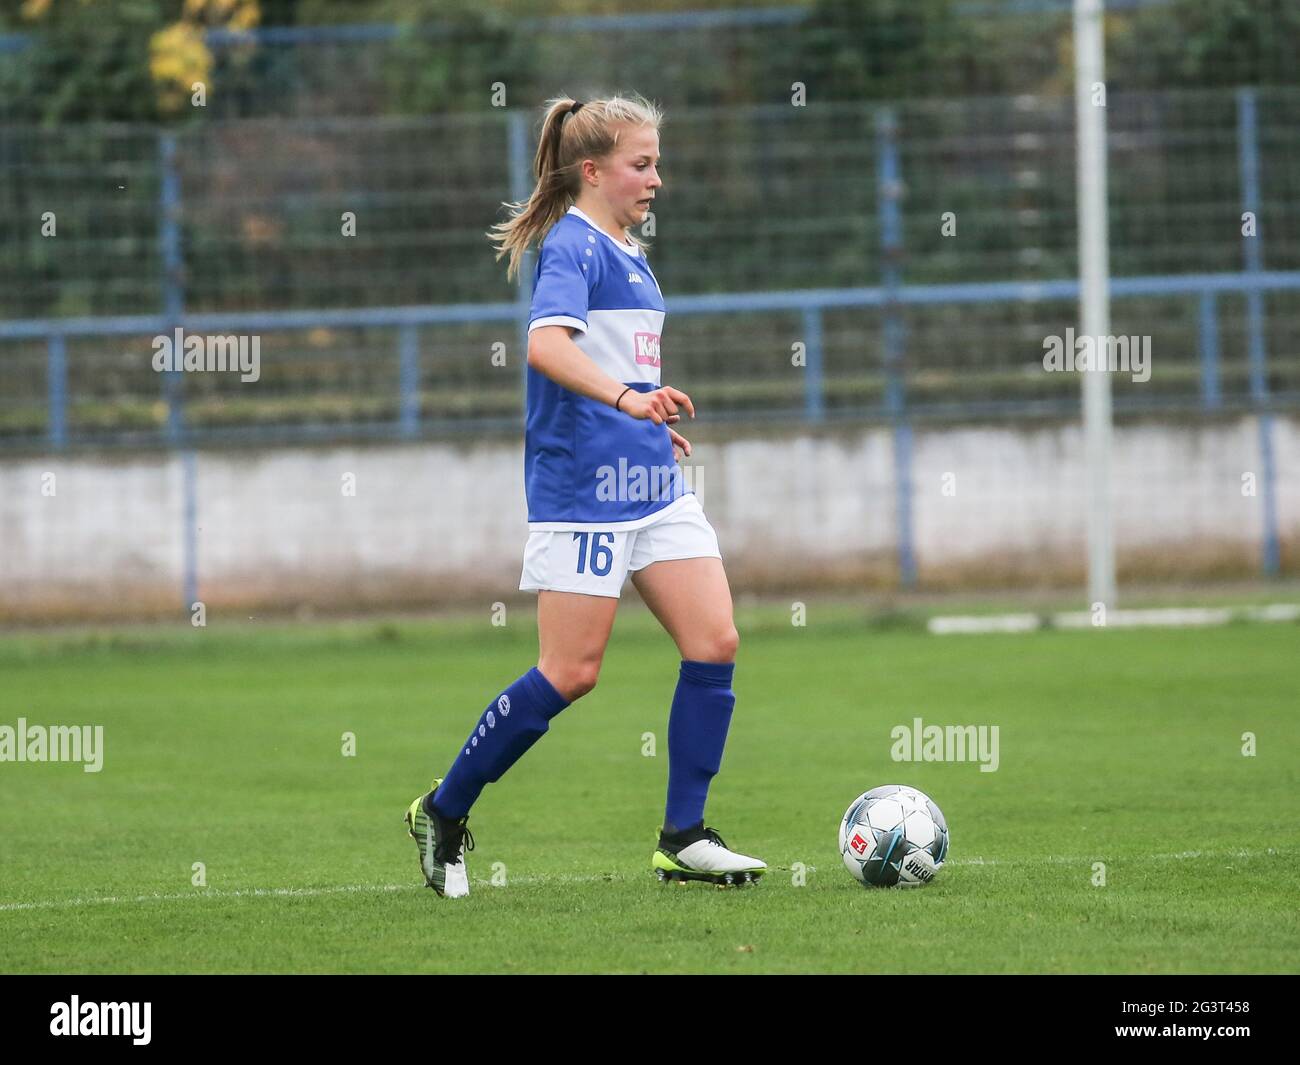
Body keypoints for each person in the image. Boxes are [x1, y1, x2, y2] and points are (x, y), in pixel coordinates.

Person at [404, 93, 765, 897]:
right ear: (593, 171)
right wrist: (629, 403)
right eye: (642, 164)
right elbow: (544, 346)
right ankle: (444, 809)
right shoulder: (572, 246)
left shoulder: (627, 250)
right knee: (571, 670)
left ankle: (684, 835)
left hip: (651, 480)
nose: (657, 179)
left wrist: (646, 421)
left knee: (715, 641)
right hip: (584, 492)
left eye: (657, 162)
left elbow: (614, 364)